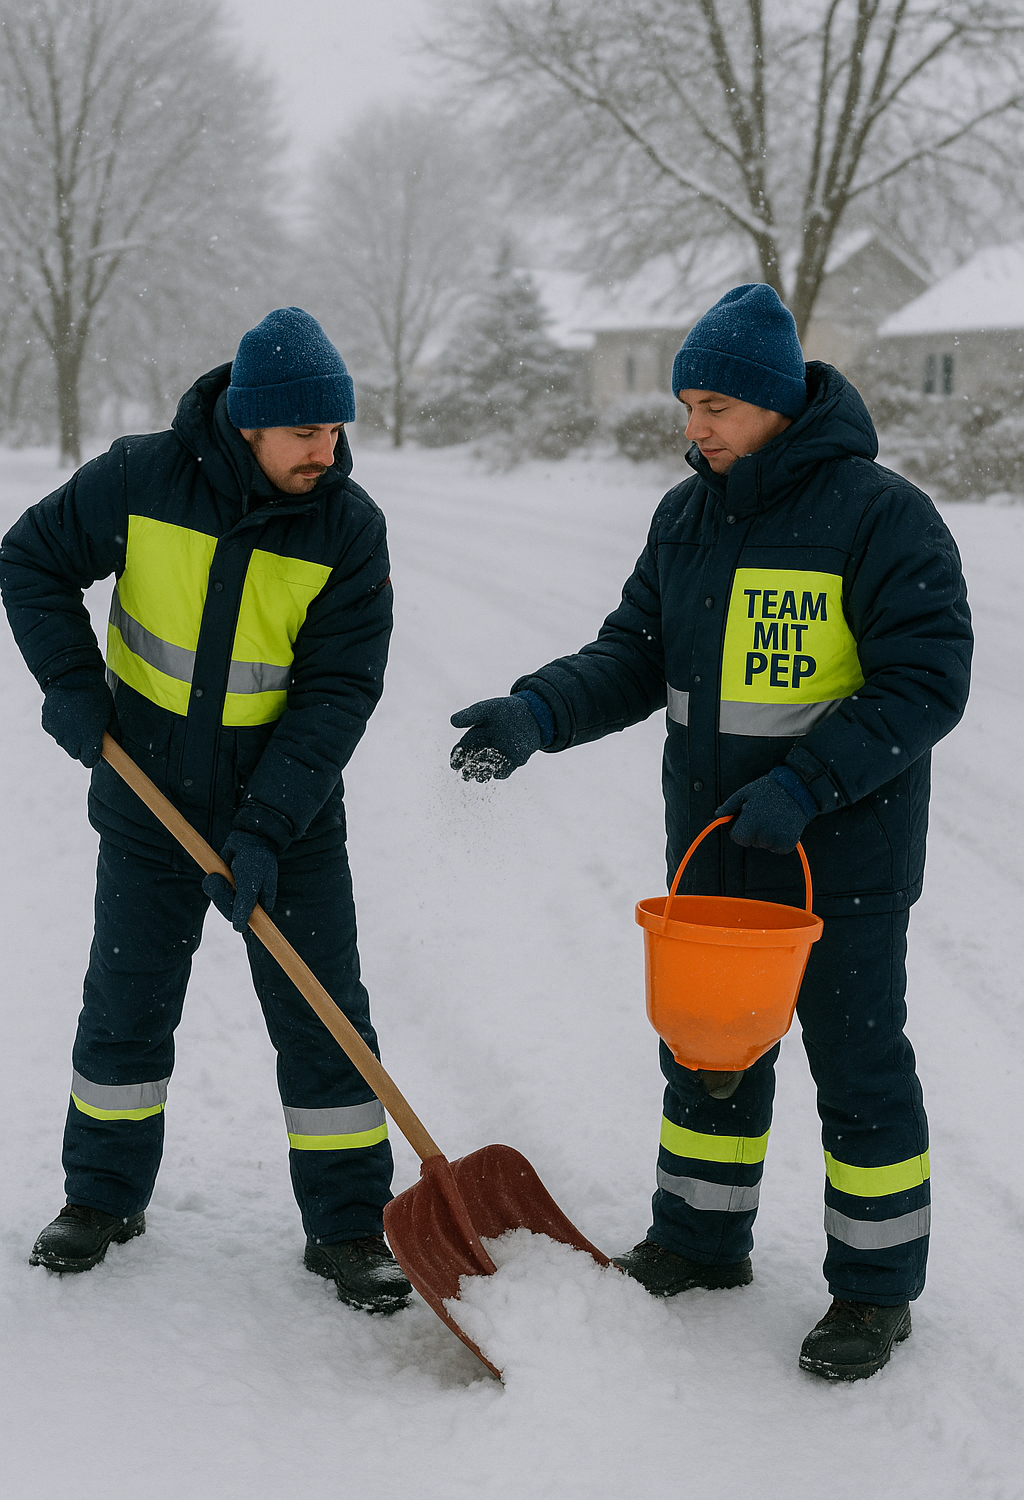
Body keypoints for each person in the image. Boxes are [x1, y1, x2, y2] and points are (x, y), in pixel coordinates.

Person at [449, 284, 973, 1380]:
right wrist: (538, 711)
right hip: (716, 849)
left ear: (778, 404)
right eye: (688, 404)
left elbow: (926, 680)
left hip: (841, 863)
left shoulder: (880, 516)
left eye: (716, 407)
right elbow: (633, 655)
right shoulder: (687, 516)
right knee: (705, 1056)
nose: (694, 428)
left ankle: (873, 1294)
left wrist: (811, 782)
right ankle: (698, 1239)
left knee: (858, 1067)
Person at [0, 307, 412, 1315]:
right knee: (127, 1003)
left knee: (323, 1017)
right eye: (305, 434)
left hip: (290, 817)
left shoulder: (347, 528)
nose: (328, 452)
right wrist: (72, 688)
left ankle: (350, 1226)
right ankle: (100, 1200)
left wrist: (268, 823)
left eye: (334, 431)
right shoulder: (142, 480)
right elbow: (30, 560)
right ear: (248, 425)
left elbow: (336, 693)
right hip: (147, 800)